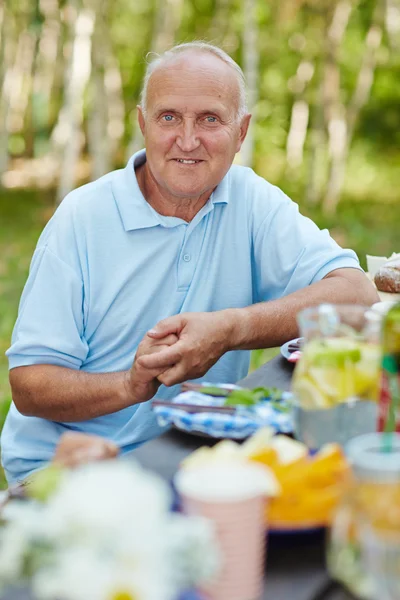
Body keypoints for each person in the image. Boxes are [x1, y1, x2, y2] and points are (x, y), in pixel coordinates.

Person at [1, 42, 378, 484]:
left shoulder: (251, 200)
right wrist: (130, 384)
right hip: (69, 470)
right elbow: (30, 385)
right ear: (143, 123)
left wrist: (231, 329)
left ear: (241, 132)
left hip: (191, 456)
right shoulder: (81, 218)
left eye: (210, 119)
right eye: (168, 117)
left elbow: (357, 292)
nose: (187, 139)